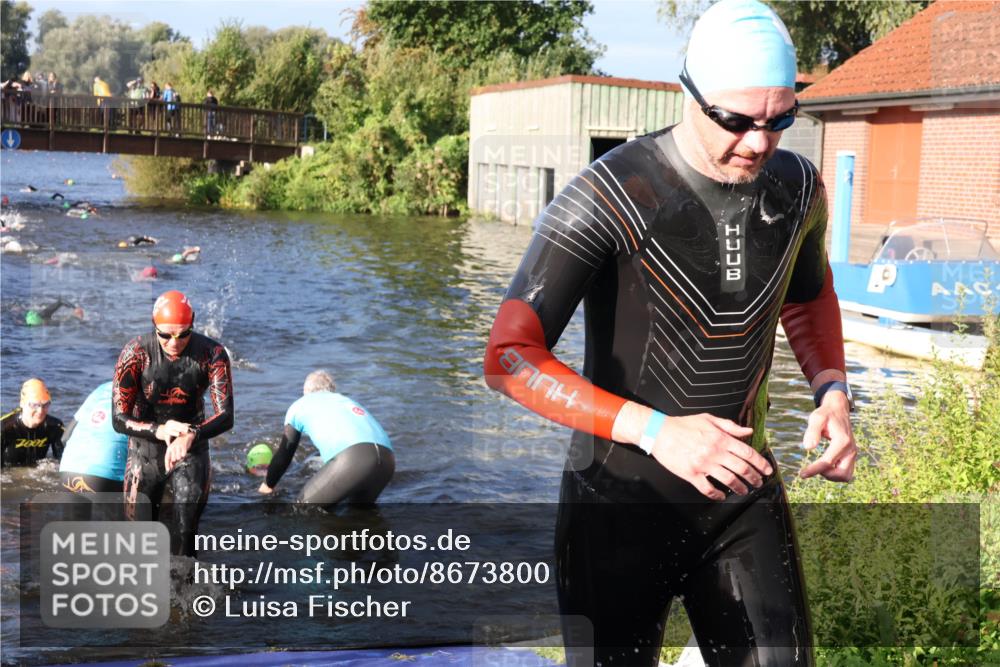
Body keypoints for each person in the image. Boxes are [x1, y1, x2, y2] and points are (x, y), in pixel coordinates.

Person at [482, 1, 856, 665]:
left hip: (743, 496)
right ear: (690, 93)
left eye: (780, 120)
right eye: (736, 121)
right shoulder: (610, 195)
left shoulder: (799, 189)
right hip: (617, 504)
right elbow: (509, 357)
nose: (759, 142)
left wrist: (831, 387)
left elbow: (808, 293)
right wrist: (656, 430)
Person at [112, 290, 234, 556]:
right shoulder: (135, 353)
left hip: (191, 445)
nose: (173, 342)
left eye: (182, 334)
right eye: (165, 335)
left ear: (193, 325)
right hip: (145, 447)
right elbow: (119, 419)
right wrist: (160, 430)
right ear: (154, 326)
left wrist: (192, 434)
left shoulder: (212, 353)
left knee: (185, 532)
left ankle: (188, 593)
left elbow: (226, 416)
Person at [258, 370, 394, 507]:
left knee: (302, 511)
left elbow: (285, 454)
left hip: (353, 459)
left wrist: (267, 485)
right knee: (359, 515)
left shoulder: (300, 404)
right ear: (332, 390)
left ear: (305, 391)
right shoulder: (347, 401)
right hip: (387, 460)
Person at [59, 381, 129, 493]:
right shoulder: (143, 393)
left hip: (68, 471)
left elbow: (65, 438)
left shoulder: (102, 388)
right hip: (105, 477)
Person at [2, 379, 64, 467]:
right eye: (34, 405)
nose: (40, 411)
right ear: (22, 403)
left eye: (45, 405)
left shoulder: (55, 427)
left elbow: (63, 462)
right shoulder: (4, 427)